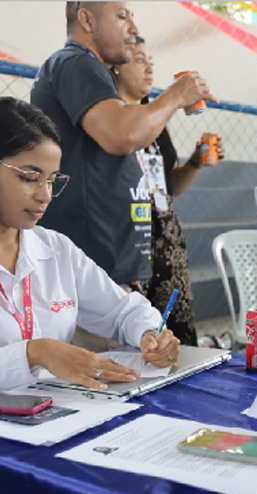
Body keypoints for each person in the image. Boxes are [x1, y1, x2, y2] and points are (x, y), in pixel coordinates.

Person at [0, 97, 180, 407]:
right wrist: (32, 353)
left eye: (53, 180)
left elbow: (124, 311)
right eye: (30, 178)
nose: (45, 195)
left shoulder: (54, 248)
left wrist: (150, 333)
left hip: (54, 413)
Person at [30, 2, 214, 292]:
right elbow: (121, 134)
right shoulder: (75, 61)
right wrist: (176, 95)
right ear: (87, 20)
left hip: (110, 273)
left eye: (132, 17)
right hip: (92, 277)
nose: (134, 28)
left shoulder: (93, 72)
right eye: (121, 16)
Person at [114, 36, 225, 346]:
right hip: (129, 240)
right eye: (139, 59)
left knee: (178, 335)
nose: (149, 67)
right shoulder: (110, 122)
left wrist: (196, 162)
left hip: (167, 241)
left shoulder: (157, 119)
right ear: (115, 68)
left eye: (151, 60)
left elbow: (170, 185)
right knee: (138, 340)